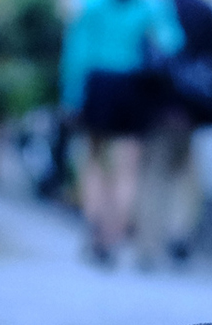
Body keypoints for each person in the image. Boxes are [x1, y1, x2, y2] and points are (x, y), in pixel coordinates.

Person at [61, 0, 183, 265]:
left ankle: (95, 225)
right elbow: (172, 42)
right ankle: (114, 235)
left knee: (94, 160)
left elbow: (76, 54)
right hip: (133, 86)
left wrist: (71, 96)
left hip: (98, 84)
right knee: (128, 168)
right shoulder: (150, 7)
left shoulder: (92, 8)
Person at [136, 0, 212, 269]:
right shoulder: (205, 11)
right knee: (186, 171)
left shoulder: (153, 9)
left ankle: (149, 245)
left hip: (157, 104)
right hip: (191, 104)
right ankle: (179, 232)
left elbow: (141, 58)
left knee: (153, 174)